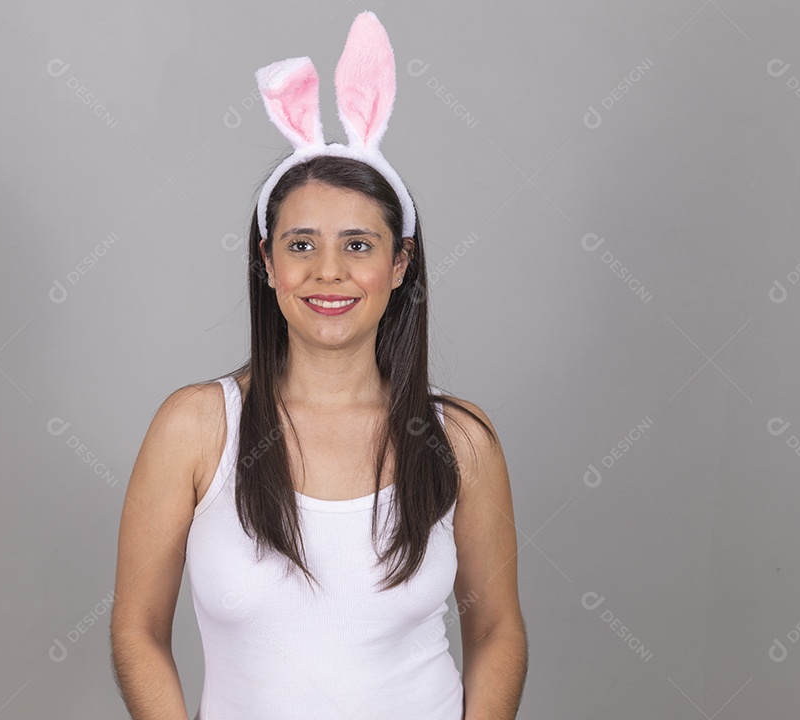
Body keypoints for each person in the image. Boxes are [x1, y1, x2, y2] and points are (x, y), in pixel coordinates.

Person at [110, 11, 527, 720]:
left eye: (358, 245)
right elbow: (136, 630)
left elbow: (496, 630)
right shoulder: (196, 428)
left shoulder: (459, 438)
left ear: (400, 264)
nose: (328, 272)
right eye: (300, 245)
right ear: (267, 262)